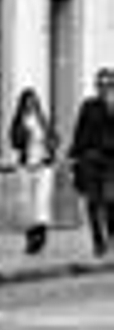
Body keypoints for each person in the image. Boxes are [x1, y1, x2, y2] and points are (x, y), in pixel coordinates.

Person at [68, 68, 114, 256]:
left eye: (108, 85)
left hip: (112, 160)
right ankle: (98, 242)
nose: (104, 88)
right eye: (100, 85)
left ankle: (111, 233)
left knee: (111, 200)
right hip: (90, 158)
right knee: (93, 202)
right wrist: (75, 156)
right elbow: (79, 131)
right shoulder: (88, 105)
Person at [9, 87, 58, 255]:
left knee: (41, 202)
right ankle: (30, 237)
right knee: (27, 204)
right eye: (27, 103)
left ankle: (40, 237)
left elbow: (54, 138)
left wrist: (49, 143)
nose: (30, 106)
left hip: (44, 166)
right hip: (26, 167)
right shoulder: (18, 122)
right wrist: (25, 131)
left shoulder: (43, 121)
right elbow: (14, 142)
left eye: (33, 102)